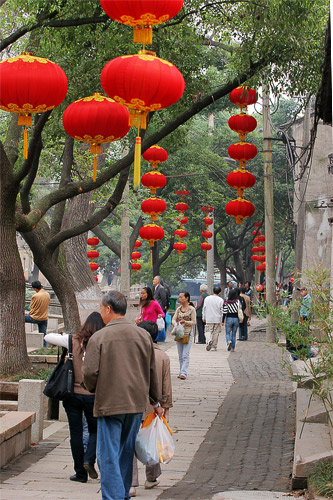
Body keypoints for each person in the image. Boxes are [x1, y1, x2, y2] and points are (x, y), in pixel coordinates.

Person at [82, 291, 162, 500]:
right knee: (126, 452)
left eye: (101, 309)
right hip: (135, 403)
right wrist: (154, 399)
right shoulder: (143, 335)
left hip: (109, 403)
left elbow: (90, 373)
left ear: (108, 309)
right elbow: (152, 370)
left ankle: (113, 497)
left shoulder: (99, 337)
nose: (101, 313)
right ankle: (123, 493)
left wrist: (93, 389)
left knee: (108, 455)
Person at [44, 312, 105, 483]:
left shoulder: (73, 340)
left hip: (72, 394)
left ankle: (80, 473)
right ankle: (89, 459)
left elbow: (48, 337)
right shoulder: (102, 342)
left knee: (76, 433)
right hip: (93, 395)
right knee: (96, 430)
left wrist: (65, 336)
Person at [131, 321, 172, 496]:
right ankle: (152, 477)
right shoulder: (162, 357)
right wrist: (166, 407)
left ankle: (131, 482)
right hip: (153, 408)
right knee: (152, 441)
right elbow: (166, 386)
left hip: (132, 405)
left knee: (130, 443)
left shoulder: (132, 355)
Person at [172, 291, 196, 380]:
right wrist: (175, 324)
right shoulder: (178, 309)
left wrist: (185, 322)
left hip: (187, 333)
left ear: (187, 298)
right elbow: (173, 319)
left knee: (185, 354)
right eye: (179, 297)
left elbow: (194, 322)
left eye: (181, 297)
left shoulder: (191, 309)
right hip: (179, 333)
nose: (180, 299)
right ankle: (181, 371)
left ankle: (184, 373)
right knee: (180, 354)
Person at [25, 280, 50, 345]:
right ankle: (44, 348)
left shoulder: (35, 296)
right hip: (44, 318)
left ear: (35, 288)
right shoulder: (47, 294)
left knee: (20, 318)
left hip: (35, 317)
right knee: (44, 335)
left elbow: (32, 306)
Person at [202, 286, 224, 351]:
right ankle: (213, 346)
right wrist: (222, 319)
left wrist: (204, 317)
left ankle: (209, 340)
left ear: (212, 291)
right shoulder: (220, 300)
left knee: (208, 331)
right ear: (219, 292)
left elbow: (204, 308)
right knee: (216, 332)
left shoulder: (207, 298)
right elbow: (222, 310)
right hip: (217, 318)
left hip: (209, 318)